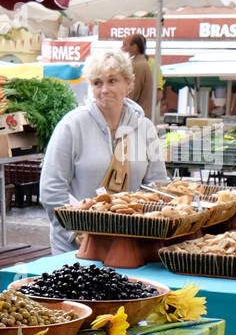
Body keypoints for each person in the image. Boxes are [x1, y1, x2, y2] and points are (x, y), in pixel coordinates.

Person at [40, 48, 168, 254]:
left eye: (112, 81)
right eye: (97, 83)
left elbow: (157, 186)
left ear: (128, 83)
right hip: (76, 249)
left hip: (129, 244)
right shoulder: (72, 126)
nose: (104, 90)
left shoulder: (144, 128)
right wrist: (76, 233)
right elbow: (51, 189)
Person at [122, 33, 153, 121]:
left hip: (136, 120)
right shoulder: (142, 64)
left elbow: (131, 95)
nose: (122, 48)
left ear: (135, 47)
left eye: (125, 45)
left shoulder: (138, 66)